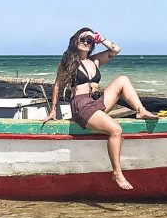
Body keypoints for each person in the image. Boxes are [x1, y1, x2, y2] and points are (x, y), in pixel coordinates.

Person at [46, 27, 159, 190]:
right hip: (81, 105)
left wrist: (99, 38)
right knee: (116, 130)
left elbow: (116, 49)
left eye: (89, 41)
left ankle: (140, 111)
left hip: (96, 103)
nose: (86, 43)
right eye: (83, 39)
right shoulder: (68, 62)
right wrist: (52, 111)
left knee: (122, 79)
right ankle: (117, 173)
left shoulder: (95, 60)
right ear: (76, 41)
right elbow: (57, 85)